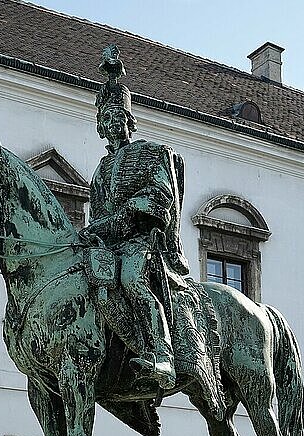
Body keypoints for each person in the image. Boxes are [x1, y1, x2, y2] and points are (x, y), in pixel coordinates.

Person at [80, 45, 190, 391]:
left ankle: (163, 353)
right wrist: (93, 232)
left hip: (141, 241)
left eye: (117, 118)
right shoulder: (101, 169)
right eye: (105, 120)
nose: (112, 125)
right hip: (111, 244)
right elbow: (97, 213)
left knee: (131, 279)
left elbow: (162, 196)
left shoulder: (151, 153)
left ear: (130, 121)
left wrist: (129, 213)